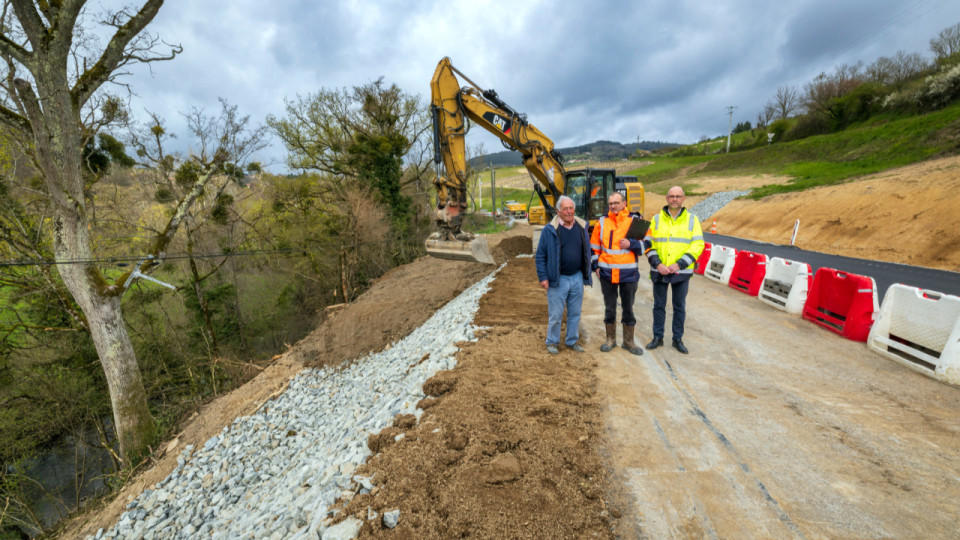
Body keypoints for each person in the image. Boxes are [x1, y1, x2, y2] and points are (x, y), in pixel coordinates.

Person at [643, 186, 704, 354]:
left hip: (681, 272)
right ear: (666, 198)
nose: (674, 199)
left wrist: (679, 264)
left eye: (678, 196)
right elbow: (648, 244)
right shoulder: (655, 220)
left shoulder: (692, 220)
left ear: (684, 199)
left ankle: (677, 338)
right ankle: (658, 337)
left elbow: (698, 245)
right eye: (671, 196)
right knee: (659, 305)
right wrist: (658, 264)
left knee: (679, 306)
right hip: (660, 270)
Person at [535, 196, 592, 354]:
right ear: (558, 211)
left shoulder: (581, 227)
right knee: (556, 314)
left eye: (571, 208)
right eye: (565, 209)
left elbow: (587, 251)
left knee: (575, 313)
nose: (569, 212)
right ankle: (552, 341)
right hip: (557, 279)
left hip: (577, 277)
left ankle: (571, 340)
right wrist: (543, 277)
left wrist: (587, 273)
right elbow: (540, 256)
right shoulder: (550, 230)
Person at [590, 191, 645, 355]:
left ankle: (629, 342)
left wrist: (631, 243)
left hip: (628, 274)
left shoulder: (635, 221)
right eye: (610, 204)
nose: (613, 206)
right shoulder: (601, 222)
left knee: (628, 307)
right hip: (606, 273)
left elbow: (646, 245)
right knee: (610, 307)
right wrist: (596, 266)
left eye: (616, 203)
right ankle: (610, 339)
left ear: (624, 203)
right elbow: (594, 246)